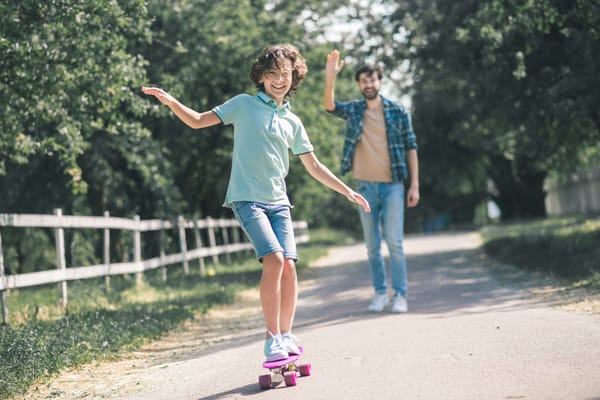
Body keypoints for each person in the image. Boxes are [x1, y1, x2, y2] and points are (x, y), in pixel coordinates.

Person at [142, 44, 370, 362]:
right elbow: (196, 121)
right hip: (247, 199)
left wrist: (346, 190)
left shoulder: (293, 121)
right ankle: (272, 337)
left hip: (279, 203)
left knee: (289, 266)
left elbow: (314, 166)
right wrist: (170, 101)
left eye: (285, 74)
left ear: (294, 78)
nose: (279, 79)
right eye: (272, 74)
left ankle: (286, 335)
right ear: (261, 77)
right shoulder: (243, 105)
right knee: (274, 259)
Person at [323, 49, 419, 313]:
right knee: (372, 245)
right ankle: (380, 293)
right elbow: (330, 106)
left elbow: (411, 146)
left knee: (395, 242)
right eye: (363, 81)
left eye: (372, 80)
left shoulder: (398, 111)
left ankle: (400, 295)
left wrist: (415, 185)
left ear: (380, 82)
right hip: (364, 188)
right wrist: (330, 76)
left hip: (393, 187)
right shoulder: (354, 110)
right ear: (359, 84)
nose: (368, 85)